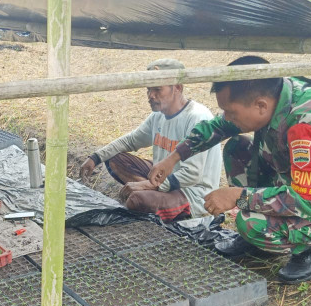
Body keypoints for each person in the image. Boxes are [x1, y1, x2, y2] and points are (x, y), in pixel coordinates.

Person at [148, 55, 311, 283]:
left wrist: (238, 197)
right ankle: (265, 244)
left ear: (261, 105)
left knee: (250, 223)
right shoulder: (273, 95)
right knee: (236, 149)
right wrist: (174, 157)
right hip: (305, 188)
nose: (227, 117)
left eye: (231, 112)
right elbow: (218, 127)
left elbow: (310, 200)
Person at [79, 58, 221, 222]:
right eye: (148, 89)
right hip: (163, 180)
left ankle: (154, 196)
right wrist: (95, 157)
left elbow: (192, 174)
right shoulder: (158, 115)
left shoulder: (196, 118)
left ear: (178, 88)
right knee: (114, 157)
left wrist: (149, 185)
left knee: (136, 201)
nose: (150, 95)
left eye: (157, 89)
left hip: (192, 192)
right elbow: (130, 140)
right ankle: (154, 194)